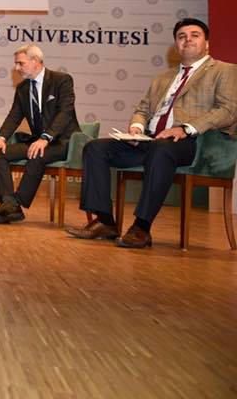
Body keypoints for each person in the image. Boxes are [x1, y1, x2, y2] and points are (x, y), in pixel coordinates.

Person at [68, 18, 237, 248]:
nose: (187, 40)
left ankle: (142, 227)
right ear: (176, 45)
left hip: (193, 144)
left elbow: (228, 110)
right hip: (152, 141)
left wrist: (185, 128)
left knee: (161, 148)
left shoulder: (224, 71)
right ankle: (106, 221)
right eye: (181, 36)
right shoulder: (163, 77)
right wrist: (137, 128)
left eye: (194, 35)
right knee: (95, 148)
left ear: (207, 44)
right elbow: (143, 109)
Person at [0, 44, 80, 224]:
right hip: (38, 141)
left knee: (37, 154)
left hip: (63, 142)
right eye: (16, 64)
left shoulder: (61, 80)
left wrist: (46, 138)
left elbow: (65, 112)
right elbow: (14, 116)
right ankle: (8, 203)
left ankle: (15, 204)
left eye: (21, 63)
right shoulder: (22, 88)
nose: (17, 68)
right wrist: (1, 138)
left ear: (35, 61)